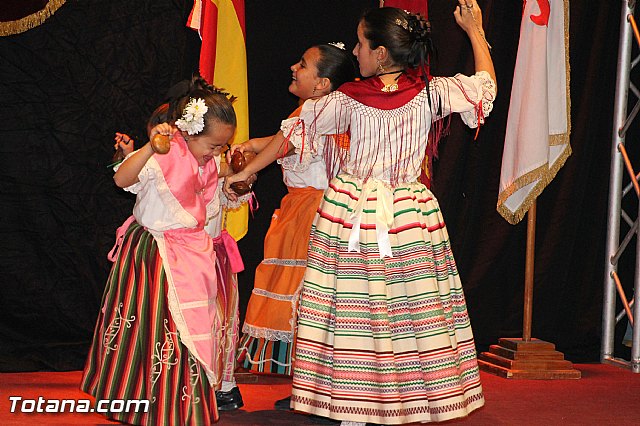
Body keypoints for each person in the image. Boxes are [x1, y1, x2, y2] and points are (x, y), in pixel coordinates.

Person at [230, 3, 497, 425]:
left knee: (357, 309)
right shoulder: (427, 91)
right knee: (403, 309)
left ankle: (359, 406)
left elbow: (291, 137)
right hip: (407, 213)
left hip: (354, 212)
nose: (355, 52)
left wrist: (246, 171)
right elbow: (485, 86)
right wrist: (476, 32)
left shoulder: (354, 98)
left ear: (382, 54)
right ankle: (394, 403)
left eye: (361, 43)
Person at [81, 74, 239, 425]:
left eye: (223, 147)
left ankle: (180, 405)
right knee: (151, 327)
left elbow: (210, 205)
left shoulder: (208, 163)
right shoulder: (163, 156)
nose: (218, 153)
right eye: (214, 146)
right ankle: (137, 401)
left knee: (190, 327)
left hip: (192, 255)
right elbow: (122, 180)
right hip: (153, 256)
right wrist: (149, 147)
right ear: (189, 132)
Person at [233, 43, 355, 377]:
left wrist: (245, 172)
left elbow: (281, 146)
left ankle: (312, 379)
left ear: (322, 84)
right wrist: (247, 146)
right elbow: (279, 141)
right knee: (306, 293)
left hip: (311, 212)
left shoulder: (311, 112)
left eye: (302, 65)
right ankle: (312, 380)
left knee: (303, 291)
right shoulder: (313, 112)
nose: (293, 67)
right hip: (308, 208)